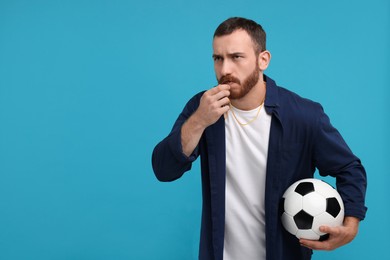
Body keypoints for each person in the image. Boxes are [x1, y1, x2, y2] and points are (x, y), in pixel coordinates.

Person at [151, 17, 367, 260]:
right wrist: (200, 119)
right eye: (218, 58)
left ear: (263, 60)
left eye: (236, 57)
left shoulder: (303, 115)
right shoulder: (202, 108)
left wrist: (351, 222)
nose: (225, 70)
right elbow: (163, 169)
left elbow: (349, 167)